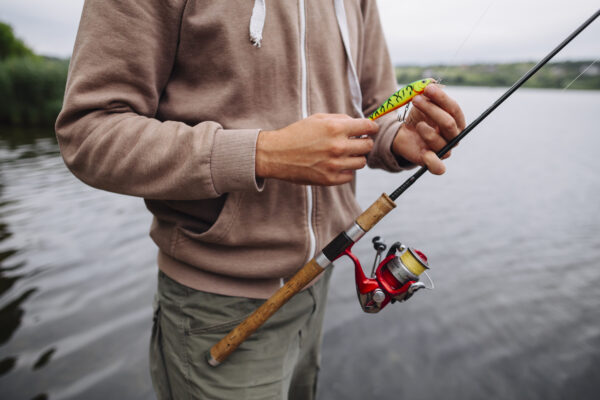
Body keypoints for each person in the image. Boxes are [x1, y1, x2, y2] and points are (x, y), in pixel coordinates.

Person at [56, 1, 465, 399]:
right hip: (214, 309)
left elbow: (373, 108)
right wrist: (263, 153)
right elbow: (90, 132)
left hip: (317, 287)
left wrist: (396, 139)